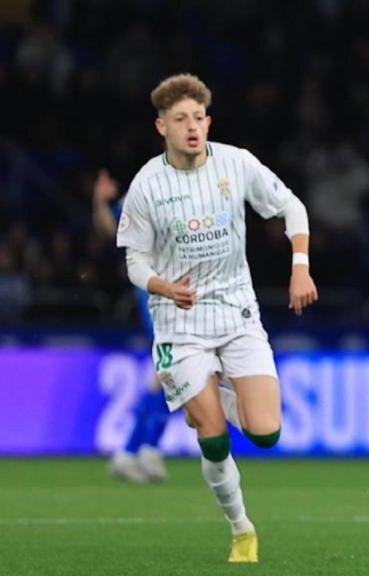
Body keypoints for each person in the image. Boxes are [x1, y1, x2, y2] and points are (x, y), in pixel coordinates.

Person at [116, 73, 318, 561]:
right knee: (212, 432)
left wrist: (300, 269)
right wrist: (161, 286)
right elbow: (134, 261)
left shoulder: (236, 163)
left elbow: (292, 208)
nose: (192, 127)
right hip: (178, 322)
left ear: (208, 121)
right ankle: (241, 528)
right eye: (180, 119)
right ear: (161, 126)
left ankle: (206, 393)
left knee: (266, 432)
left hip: (236, 311)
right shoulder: (147, 184)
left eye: (198, 118)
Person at [92, 168, 171, 483]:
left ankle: (134, 451)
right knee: (170, 369)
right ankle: (142, 449)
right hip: (155, 294)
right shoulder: (144, 190)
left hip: (183, 294)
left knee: (167, 374)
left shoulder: (198, 186)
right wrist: (99, 202)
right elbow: (112, 231)